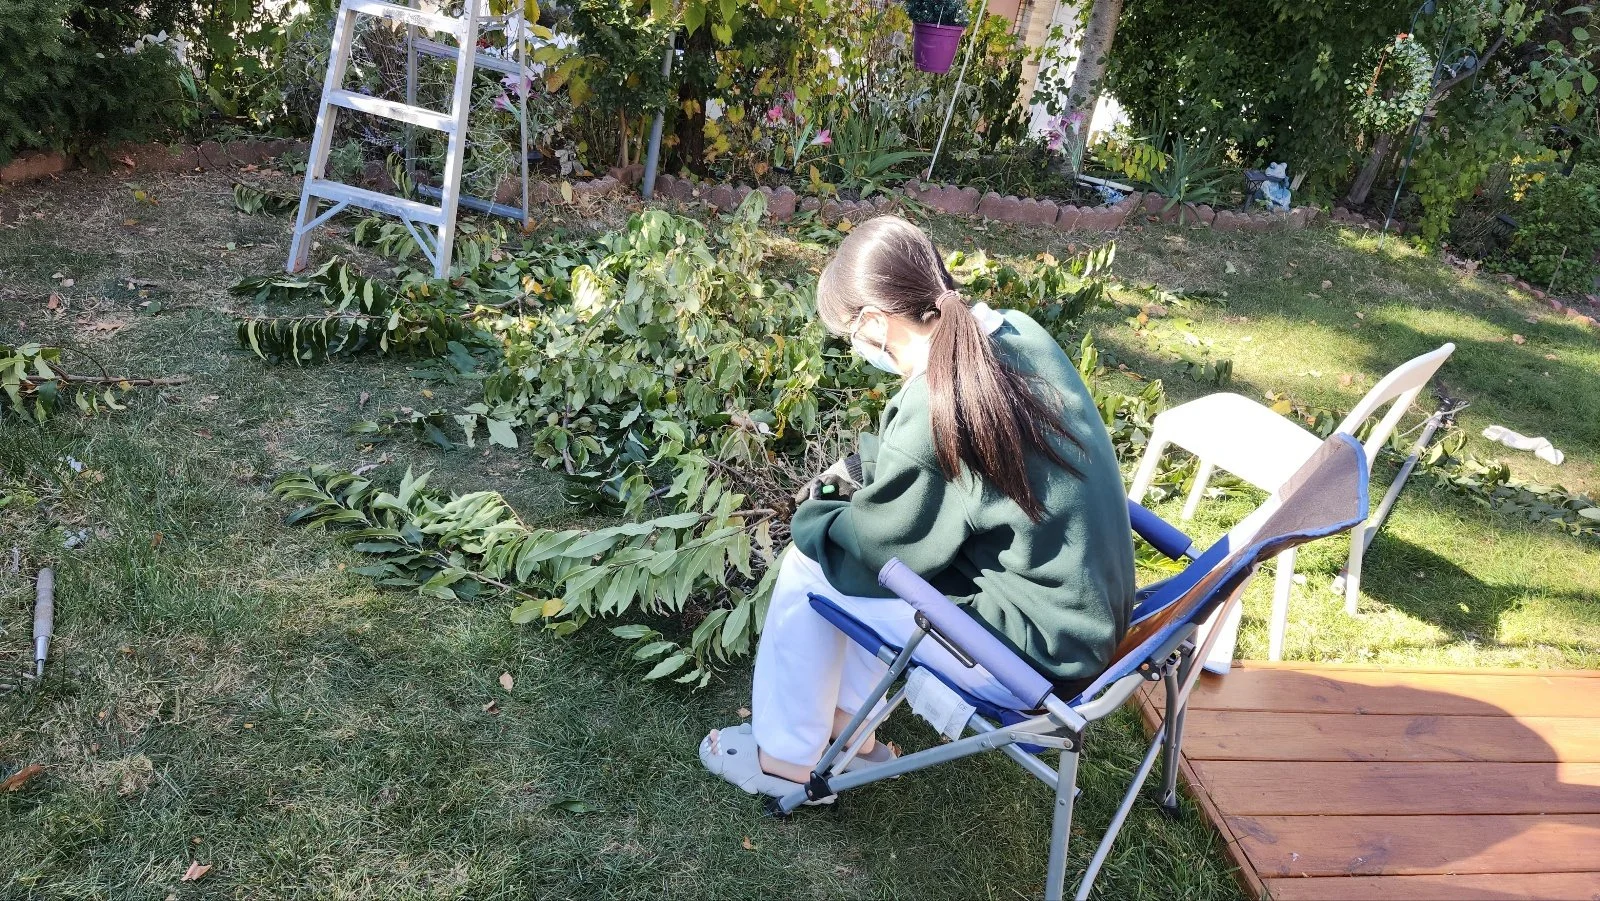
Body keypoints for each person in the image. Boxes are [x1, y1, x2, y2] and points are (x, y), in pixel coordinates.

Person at [700, 215, 1135, 799]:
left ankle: (786, 760)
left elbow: (871, 554)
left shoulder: (937, 403)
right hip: (1086, 616)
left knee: (812, 568)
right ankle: (847, 731)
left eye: (850, 336)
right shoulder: (1017, 332)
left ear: (875, 322)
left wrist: (818, 506)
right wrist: (868, 469)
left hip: (1034, 657)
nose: (856, 350)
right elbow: (948, 483)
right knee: (869, 576)